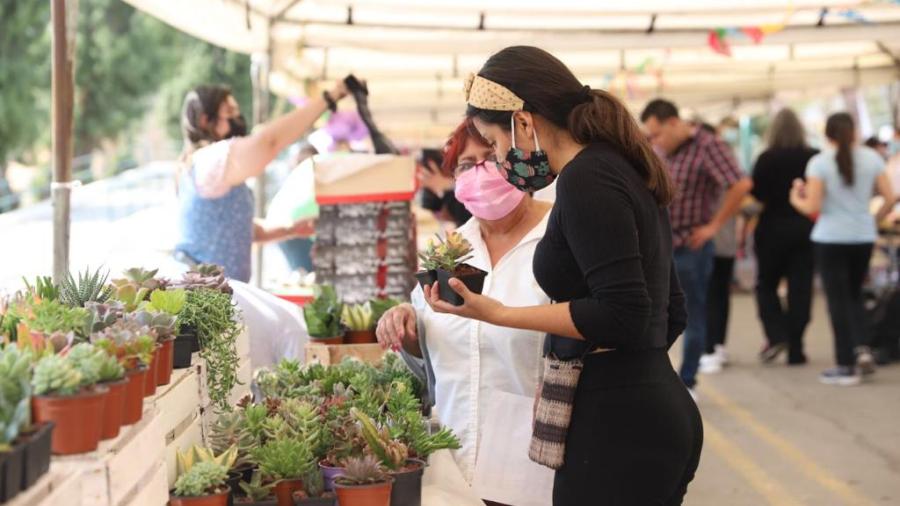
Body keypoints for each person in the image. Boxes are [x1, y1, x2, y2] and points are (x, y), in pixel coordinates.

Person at [421, 46, 700, 506]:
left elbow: (623, 313)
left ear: (523, 122)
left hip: (618, 424)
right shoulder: (621, 167)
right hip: (648, 406)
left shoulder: (585, 178)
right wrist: (635, 375)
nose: (499, 158)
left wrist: (499, 314)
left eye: (493, 142)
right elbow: (671, 310)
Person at [377, 118, 554, 506]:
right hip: (452, 455)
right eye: (466, 164)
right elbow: (429, 347)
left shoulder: (557, 237)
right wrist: (408, 325)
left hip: (532, 458)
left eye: (491, 156)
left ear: (518, 159)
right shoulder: (450, 249)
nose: (480, 172)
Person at [174, 81, 351, 281]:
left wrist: (291, 229)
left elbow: (238, 228)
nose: (237, 117)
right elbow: (269, 142)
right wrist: (329, 98)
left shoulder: (201, 167)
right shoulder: (209, 161)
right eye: (229, 111)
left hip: (215, 290)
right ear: (205, 120)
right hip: (203, 292)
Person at [641, 99, 753, 393]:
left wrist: (714, 226)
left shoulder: (708, 146)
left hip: (690, 245)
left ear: (674, 123)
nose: (655, 141)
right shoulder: (660, 150)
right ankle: (657, 379)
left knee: (690, 314)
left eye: (658, 134)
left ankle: (687, 381)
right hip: (660, 245)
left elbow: (740, 184)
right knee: (654, 314)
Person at [790, 112, 896, 385]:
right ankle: (862, 348)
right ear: (854, 131)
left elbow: (812, 206)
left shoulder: (819, 163)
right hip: (862, 236)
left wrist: (794, 198)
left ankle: (845, 364)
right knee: (855, 294)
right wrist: (872, 220)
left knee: (837, 301)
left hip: (830, 237)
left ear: (827, 134)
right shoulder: (872, 158)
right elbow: (890, 197)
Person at [751, 108, 819, 365]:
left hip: (771, 229)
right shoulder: (814, 157)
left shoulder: (766, 158)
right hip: (805, 229)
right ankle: (796, 348)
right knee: (801, 289)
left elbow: (757, 195)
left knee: (766, 284)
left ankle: (776, 334)